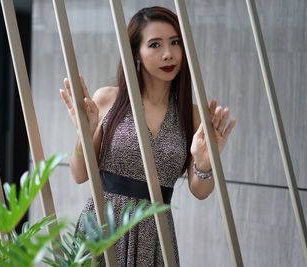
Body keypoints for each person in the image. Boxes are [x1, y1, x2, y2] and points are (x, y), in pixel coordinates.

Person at [59, 6, 236, 266]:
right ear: (136, 53)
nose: (168, 54)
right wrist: (84, 133)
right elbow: (79, 174)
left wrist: (205, 165)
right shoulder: (108, 99)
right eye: (155, 45)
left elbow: (200, 191)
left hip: (156, 234)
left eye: (175, 42)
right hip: (103, 225)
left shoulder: (193, 115)